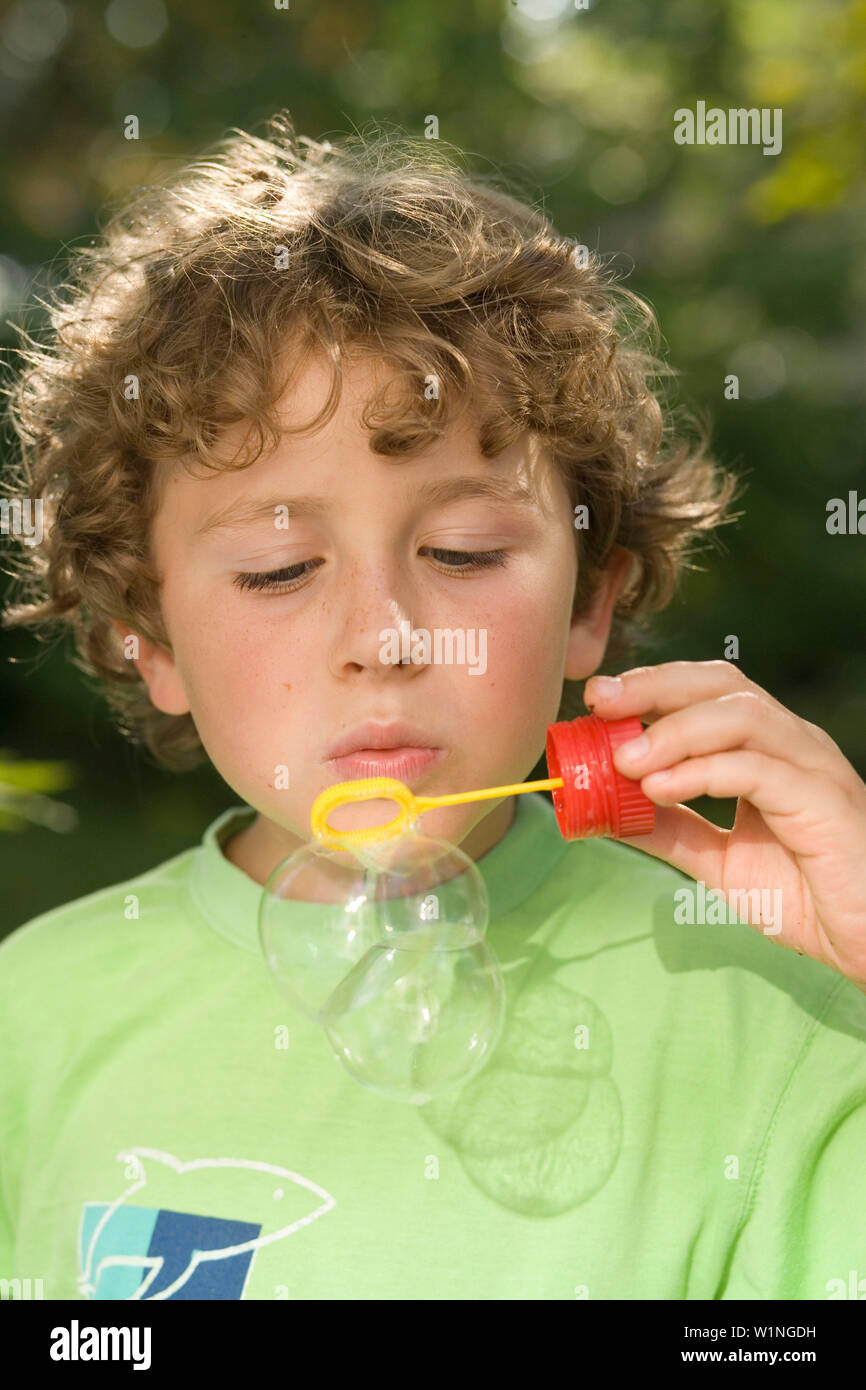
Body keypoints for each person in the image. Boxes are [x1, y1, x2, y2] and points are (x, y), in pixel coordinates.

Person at [1, 111, 865, 1302]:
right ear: (147, 638)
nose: (387, 638)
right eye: (275, 569)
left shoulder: (780, 1002)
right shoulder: (33, 1019)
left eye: (460, 550)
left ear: (588, 603)